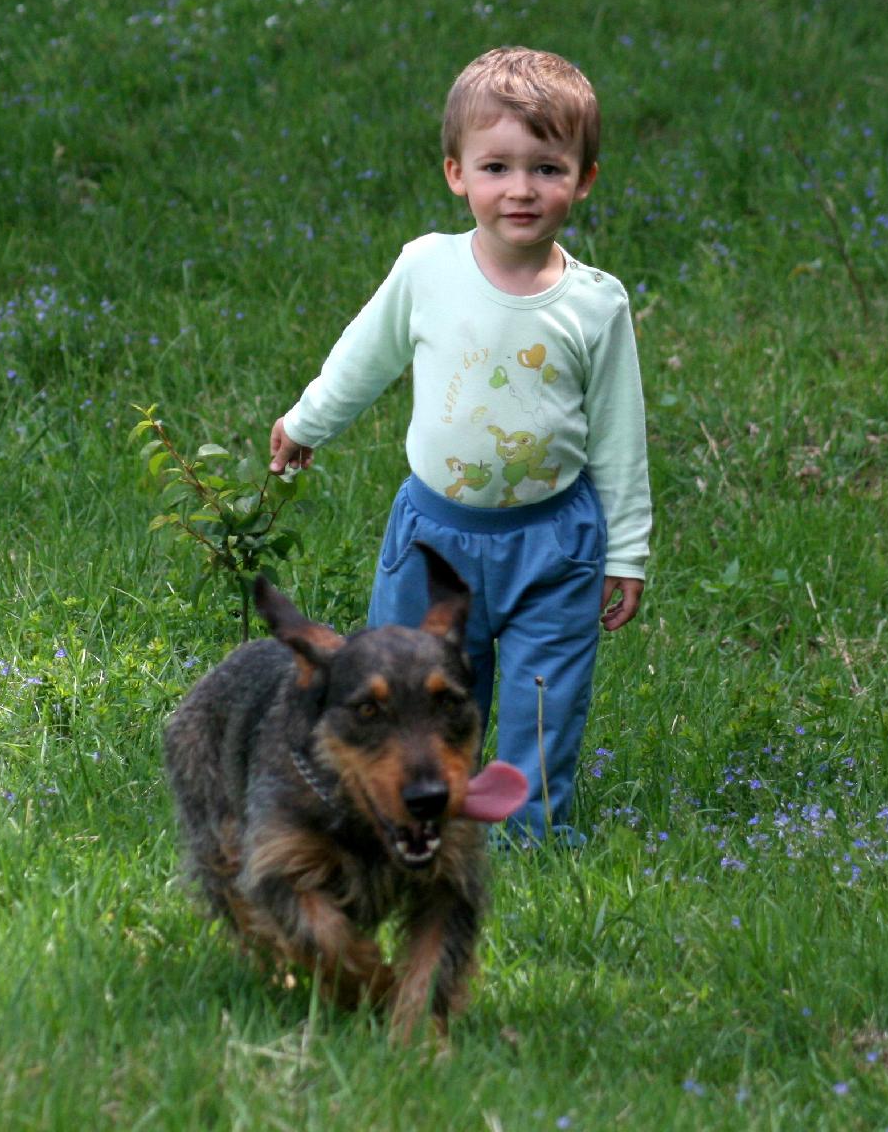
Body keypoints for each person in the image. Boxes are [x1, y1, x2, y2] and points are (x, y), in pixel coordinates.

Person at [269, 46, 651, 843]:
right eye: (496, 167)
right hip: (434, 541)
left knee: (547, 698)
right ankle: (407, 812)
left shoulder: (596, 305)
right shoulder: (427, 270)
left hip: (555, 544)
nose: (520, 189)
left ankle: (532, 833)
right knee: (413, 691)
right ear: (456, 173)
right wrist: (308, 420)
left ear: (584, 179)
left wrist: (626, 551)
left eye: (546, 168)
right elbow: (365, 357)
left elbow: (619, 435)